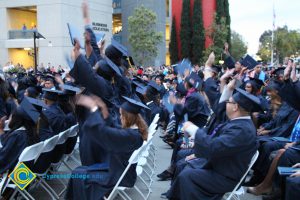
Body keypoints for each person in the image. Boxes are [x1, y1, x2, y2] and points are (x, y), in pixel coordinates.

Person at [166, 88, 259, 200]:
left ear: (235, 107)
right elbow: (218, 144)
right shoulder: (239, 124)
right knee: (184, 165)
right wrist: (196, 148)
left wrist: (193, 129)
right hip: (221, 165)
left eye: (228, 102)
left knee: (186, 175)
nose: (225, 104)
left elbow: (214, 146)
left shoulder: (242, 129)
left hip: (226, 176)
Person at [65, 96, 149, 200]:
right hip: (117, 169)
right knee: (79, 171)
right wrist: (104, 111)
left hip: (119, 176)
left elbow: (105, 132)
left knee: (78, 175)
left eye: (121, 114)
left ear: (127, 117)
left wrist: (94, 109)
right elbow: (114, 127)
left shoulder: (131, 136)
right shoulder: (134, 132)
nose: (119, 117)